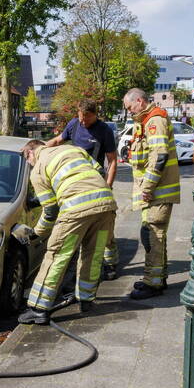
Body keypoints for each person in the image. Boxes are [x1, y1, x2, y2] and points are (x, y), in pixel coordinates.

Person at [17, 140, 117, 324]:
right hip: (106, 206)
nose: (29, 164)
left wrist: (36, 233)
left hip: (75, 212)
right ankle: (86, 300)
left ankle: (39, 309)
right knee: (93, 254)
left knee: (57, 256)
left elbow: (51, 211)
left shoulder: (38, 169)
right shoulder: (73, 149)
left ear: (31, 153)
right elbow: (99, 170)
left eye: (27, 160)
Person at [44, 99, 119, 279]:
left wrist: (108, 186)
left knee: (104, 228)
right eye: (81, 117)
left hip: (96, 182)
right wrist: (40, 149)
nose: (83, 121)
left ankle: (111, 263)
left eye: (87, 118)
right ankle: (77, 262)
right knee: (78, 223)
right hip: (75, 183)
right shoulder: (74, 124)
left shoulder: (104, 131)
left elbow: (113, 160)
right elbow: (58, 140)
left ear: (95, 115)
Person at [122, 88, 181, 300]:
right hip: (155, 192)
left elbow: (159, 157)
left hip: (157, 192)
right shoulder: (146, 120)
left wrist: (147, 188)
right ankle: (156, 277)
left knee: (152, 235)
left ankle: (153, 283)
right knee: (154, 235)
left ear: (139, 101)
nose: (129, 112)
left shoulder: (154, 121)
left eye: (130, 107)